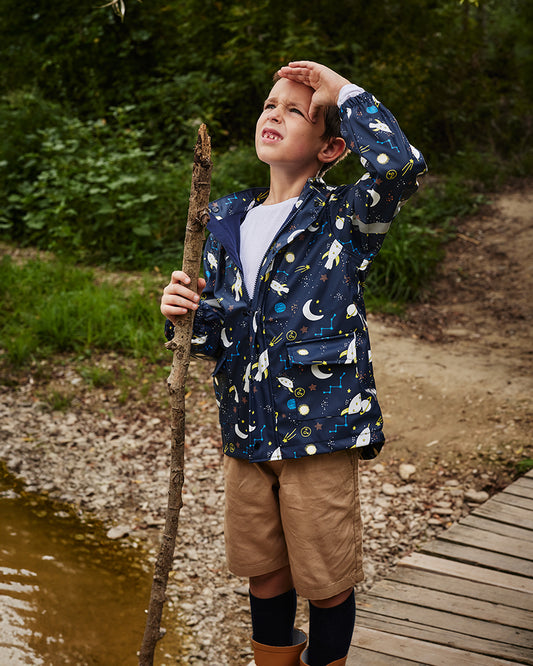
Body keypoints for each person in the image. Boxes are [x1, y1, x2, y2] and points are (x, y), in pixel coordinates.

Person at [161, 60, 426, 666]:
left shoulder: (343, 220)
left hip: (319, 433)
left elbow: (402, 168)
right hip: (246, 432)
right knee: (263, 575)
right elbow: (214, 336)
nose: (273, 114)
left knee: (326, 583)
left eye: (295, 110)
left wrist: (342, 92)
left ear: (332, 147)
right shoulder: (224, 218)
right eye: (268, 104)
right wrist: (182, 313)